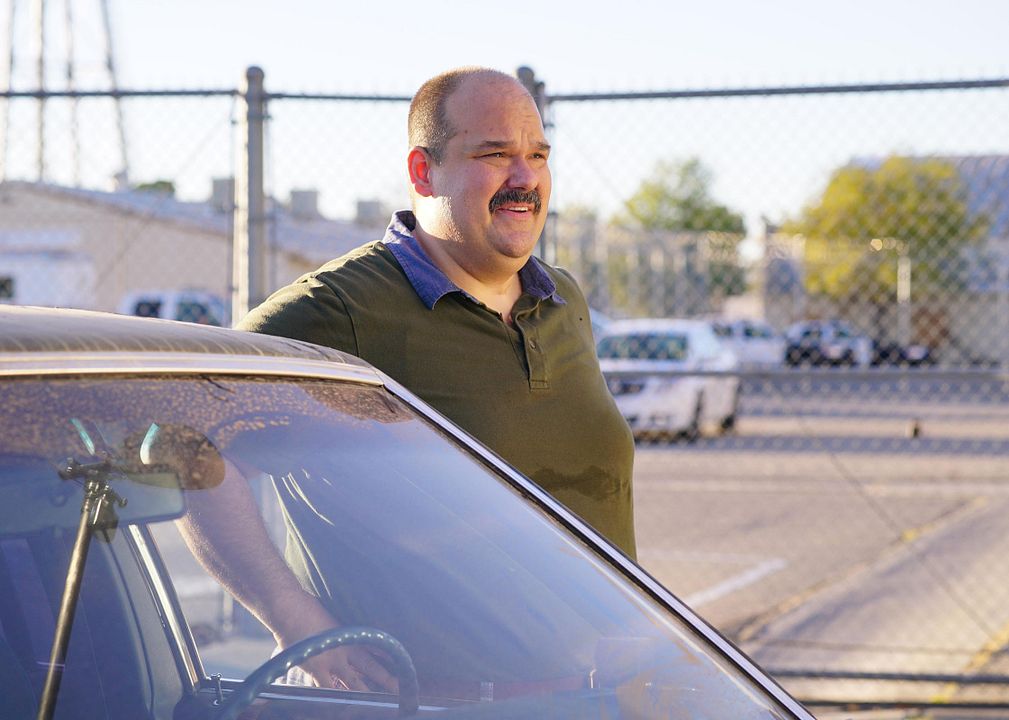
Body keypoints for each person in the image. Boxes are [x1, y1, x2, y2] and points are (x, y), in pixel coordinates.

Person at [182, 66, 635, 692]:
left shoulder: (563, 300)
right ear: (424, 172)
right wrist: (299, 625)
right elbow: (187, 447)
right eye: (495, 154)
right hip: (438, 704)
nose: (525, 178)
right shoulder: (337, 311)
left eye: (537, 155)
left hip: (604, 697)